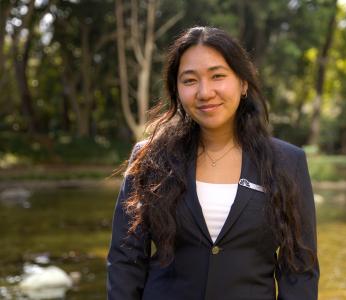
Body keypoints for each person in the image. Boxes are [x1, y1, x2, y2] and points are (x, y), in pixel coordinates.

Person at [107, 26, 319, 300]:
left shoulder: (287, 162)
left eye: (217, 76)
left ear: (243, 83)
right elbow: (125, 259)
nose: (205, 92)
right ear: (177, 89)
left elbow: (300, 268)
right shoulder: (150, 159)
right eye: (190, 80)